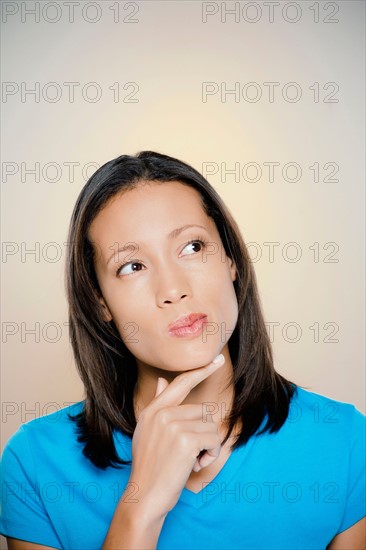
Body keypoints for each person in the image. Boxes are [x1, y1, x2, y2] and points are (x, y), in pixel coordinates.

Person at [1, 151, 365, 550]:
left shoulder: (343, 441)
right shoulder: (34, 464)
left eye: (192, 247)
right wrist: (142, 505)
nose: (173, 289)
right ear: (100, 302)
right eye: (132, 266)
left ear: (230, 260)